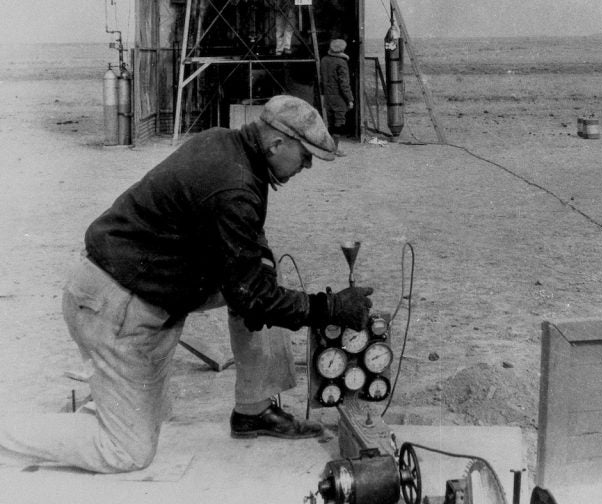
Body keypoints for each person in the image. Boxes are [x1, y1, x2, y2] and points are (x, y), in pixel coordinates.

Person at [0, 95, 374, 474]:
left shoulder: (224, 143)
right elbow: (252, 297)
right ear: (276, 144)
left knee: (261, 283)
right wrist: (329, 307)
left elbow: (249, 274)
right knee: (128, 451)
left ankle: (253, 411)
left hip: (144, 286)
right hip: (114, 305)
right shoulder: (235, 187)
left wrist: (276, 293)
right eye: (306, 155)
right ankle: (7, 437)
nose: (308, 164)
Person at [320, 38, 354, 156]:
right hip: (338, 98)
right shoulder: (341, 63)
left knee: (330, 123)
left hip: (327, 97)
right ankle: (334, 149)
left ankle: (329, 147)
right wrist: (350, 99)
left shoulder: (324, 60)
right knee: (339, 123)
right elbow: (344, 84)